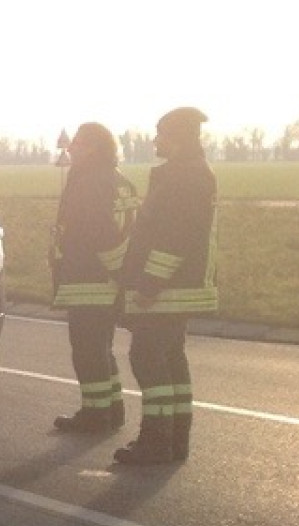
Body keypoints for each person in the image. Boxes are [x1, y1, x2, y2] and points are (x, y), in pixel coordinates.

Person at [115, 106, 218, 465]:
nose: (156, 140)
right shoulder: (187, 174)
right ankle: (174, 439)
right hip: (178, 286)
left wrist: (148, 284)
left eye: (161, 134)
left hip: (167, 288)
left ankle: (157, 442)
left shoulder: (184, 178)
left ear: (178, 138)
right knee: (171, 359)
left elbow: (174, 238)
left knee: (147, 358)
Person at [48, 122, 138, 433]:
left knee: (87, 350)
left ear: (94, 148)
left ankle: (96, 414)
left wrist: (113, 269)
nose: (70, 149)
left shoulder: (88, 183)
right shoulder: (121, 181)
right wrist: (122, 276)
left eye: (78, 144)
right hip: (110, 282)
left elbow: (99, 233)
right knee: (102, 348)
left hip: (89, 279)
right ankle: (112, 409)